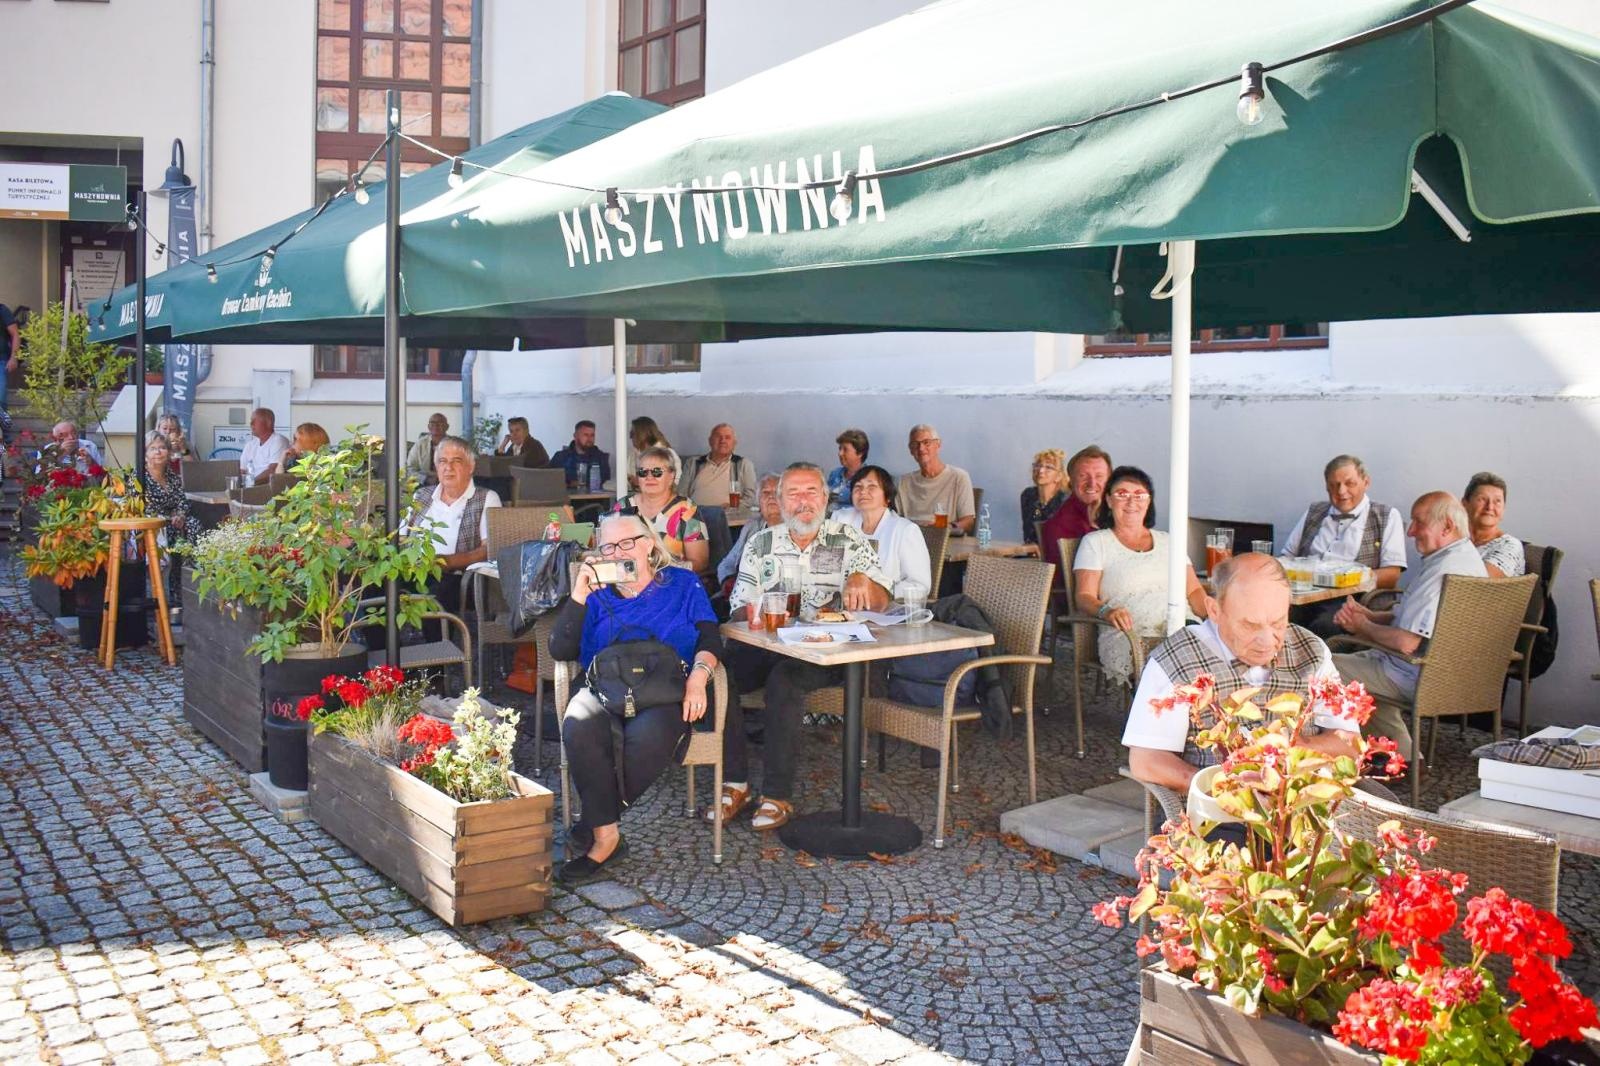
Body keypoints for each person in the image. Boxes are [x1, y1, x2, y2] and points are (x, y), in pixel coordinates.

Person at [546, 513, 730, 885]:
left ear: (648, 543)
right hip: (602, 684)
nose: (618, 552)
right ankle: (607, 833)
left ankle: (599, 830)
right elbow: (560, 649)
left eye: (627, 543)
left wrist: (698, 678)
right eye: (609, 546)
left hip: (664, 687)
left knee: (648, 736)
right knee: (579, 726)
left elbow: (710, 638)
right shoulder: (595, 592)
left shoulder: (681, 583)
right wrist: (580, 596)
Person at [717, 462, 892, 831]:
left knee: (785, 680)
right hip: (770, 640)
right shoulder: (762, 542)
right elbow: (737, 608)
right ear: (779, 502)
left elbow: (882, 601)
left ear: (826, 498)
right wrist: (759, 612)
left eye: (812, 492)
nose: (803, 502)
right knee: (721, 672)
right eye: (793, 493)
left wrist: (862, 579)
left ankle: (777, 795)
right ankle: (735, 783)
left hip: (826, 649)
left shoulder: (847, 539)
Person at [1124, 553, 1361, 793]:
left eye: (1278, 622)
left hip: (1306, 803)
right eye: (1250, 625)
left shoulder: (1311, 649)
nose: (1267, 641)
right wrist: (1226, 788)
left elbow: (1350, 743)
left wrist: (1293, 747)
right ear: (1214, 610)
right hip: (1218, 813)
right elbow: (1146, 760)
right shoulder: (1176, 659)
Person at [1332, 491, 1487, 760]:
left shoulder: (1442, 571)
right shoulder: (1466, 559)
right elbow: (1419, 620)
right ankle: (1400, 757)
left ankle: (1324, 757)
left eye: (1418, 522)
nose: (1411, 531)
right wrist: (1369, 615)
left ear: (1447, 526)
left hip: (1417, 675)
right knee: (1359, 671)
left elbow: (1406, 643)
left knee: (1323, 668)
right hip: (1454, 677)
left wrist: (1362, 626)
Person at [1073, 465, 1208, 689]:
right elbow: (1084, 596)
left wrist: (1216, 616)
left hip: (1178, 626)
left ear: (1149, 501)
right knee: (1178, 662)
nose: (1131, 501)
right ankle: (1161, 717)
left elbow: (1193, 590)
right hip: (1128, 633)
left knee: (1208, 649)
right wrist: (1107, 611)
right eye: (1122, 494)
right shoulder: (1096, 542)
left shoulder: (1169, 541)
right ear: (1108, 500)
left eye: (1139, 495)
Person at [1281, 455, 1408, 635]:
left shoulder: (1386, 515)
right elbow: (1287, 556)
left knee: (1325, 625)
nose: (1341, 491)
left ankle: (1322, 662)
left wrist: (1346, 580)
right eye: (1334, 485)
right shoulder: (1314, 511)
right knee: (1273, 616)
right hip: (1302, 595)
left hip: (1353, 599)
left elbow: (1392, 575)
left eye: (1350, 483)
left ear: (1366, 482)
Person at [404, 436, 503, 621]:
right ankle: (383, 648)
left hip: (456, 575)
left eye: (456, 461)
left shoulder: (486, 498)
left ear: (470, 467)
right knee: (375, 586)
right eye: (442, 461)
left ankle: (438, 648)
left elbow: (489, 548)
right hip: (413, 569)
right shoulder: (421, 496)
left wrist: (444, 562)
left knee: (436, 594)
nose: (448, 467)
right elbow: (401, 537)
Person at [833, 465, 931, 598]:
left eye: (871, 487)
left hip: (887, 609)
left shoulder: (905, 531)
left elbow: (920, 586)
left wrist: (881, 594)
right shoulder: (840, 519)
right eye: (858, 487)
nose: (863, 491)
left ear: (887, 497)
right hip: (842, 604)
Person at [613, 445, 710, 573]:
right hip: (628, 578)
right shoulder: (623, 506)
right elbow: (609, 548)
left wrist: (657, 569)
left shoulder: (686, 509)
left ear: (671, 476)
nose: (649, 477)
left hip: (671, 581)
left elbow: (700, 562)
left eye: (657, 472)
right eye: (643, 472)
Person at [1040, 444, 1112, 572]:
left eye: (1099, 476)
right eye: (1083, 476)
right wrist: (1093, 527)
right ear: (1071, 482)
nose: (1092, 483)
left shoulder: (1117, 512)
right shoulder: (1058, 527)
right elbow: (1068, 583)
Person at [141, 432, 192, 607]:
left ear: (169, 452)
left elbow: (182, 501)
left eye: (162, 448)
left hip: (174, 524)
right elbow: (142, 508)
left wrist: (180, 515)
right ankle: (159, 598)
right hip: (151, 525)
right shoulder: (139, 477)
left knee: (193, 525)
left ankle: (185, 590)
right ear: (145, 453)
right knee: (168, 534)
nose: (158, 452)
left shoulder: (172, 477)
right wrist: (169, 518)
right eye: (153, 448)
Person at [896, 423, 975, 534]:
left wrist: (947, 528)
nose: (921, 448)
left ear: (938, 445)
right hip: (910, 540)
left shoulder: (959, 477)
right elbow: (895, 520)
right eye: (915, 444)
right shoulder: (904, 482)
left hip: (944, 540)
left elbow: (968, 522)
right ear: (911, 450)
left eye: (926, 443)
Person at [718, 472, 782, 588]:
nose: (771, 497)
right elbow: (727, 564)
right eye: (766, 493)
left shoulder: (796, 531)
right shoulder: (752, 527)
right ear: (759, 501)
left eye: (777, 493)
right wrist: (728, 582)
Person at [678, 423, 758, 508]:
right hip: (695, 516)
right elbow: (681, 494)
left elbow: (750, 497)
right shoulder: (693, 463)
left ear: (734, 443)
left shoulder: (744, 464)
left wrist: (732, 507)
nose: (722, 440)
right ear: (710, 441)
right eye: (718, 436)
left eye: (727, 437)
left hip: (728, 517)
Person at [1463, 471, 1525, 578]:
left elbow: (1477, 585)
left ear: (1503, 509)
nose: (1490, 507)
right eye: (1482, 499)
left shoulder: (1509, 545)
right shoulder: (1455, 539)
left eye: (1497, 501)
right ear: (1464, 504)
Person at [1020, 448, 1068, 544]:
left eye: (1049, 467)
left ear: (1059, 476)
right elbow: (1028, 538)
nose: (1041, 471)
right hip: (1030, 555)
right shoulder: (1028, 495)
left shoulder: (1065, 501)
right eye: (1038, 466)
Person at [548, 419, 612, 488]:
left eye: (592, 435)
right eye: (586, 435)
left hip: (594, 498)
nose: (589, 439)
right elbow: (547, 479)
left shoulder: (600, 458)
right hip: (565, 497)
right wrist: (569, 483)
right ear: (575, 436)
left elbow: (604, 480)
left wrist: (579, 483)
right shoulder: (560, 457)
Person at [239, 408, 290, 486]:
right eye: (251, 420)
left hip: (266, 488)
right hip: (249, 487)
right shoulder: (250, 445)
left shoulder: (278, 441)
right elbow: (242, 470)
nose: (251, 423)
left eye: (254, 420)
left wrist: (250, 484)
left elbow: (273, 471)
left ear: (268, 423)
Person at [626, 416, 677, 489]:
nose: (630, 437)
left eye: (632, 433)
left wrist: (639, 482)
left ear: (642, 435)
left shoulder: (667, 454)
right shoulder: (633, 455)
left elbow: (674, 484)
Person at [827, 429, 869, 509]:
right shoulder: (835, 474)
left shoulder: (868, 478)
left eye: (845, 450)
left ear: (860, 453)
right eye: (840, 449)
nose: (840, 453)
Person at [405, 412, 450, 487]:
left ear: (447, 427)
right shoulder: (420, 444)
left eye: (440, 423)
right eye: (432, 423)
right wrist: (425, 479)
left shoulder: (455, 444)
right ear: (428, 427)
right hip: (424, 484)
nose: (436, 425)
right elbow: (409, 469)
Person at [0, 302, 19, 422]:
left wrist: (14, 357)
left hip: (0, 360)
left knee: (0, 399)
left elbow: (15, 334)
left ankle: (4, 436)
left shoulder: (2, 310)